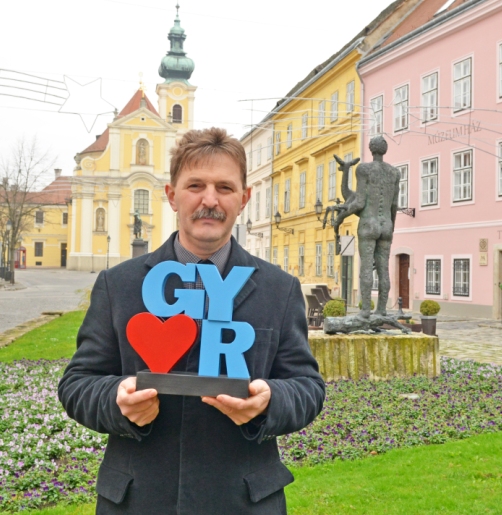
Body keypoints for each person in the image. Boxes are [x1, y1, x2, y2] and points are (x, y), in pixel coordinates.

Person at [58, 127, 325, 514]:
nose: (210, 200)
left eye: (225, 187)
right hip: (139, 500)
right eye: (195, 185)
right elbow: (78, 383)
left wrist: (271, 401)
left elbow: (308, 387)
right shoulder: (119, 284)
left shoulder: (278, 289)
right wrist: (117, 400)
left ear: (244, 198)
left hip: (243, 502)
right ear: (172, 195)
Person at [333, 135, 400, 319]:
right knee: (383, 269)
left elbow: (360, 202)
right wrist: (391, 226)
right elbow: (394, 205)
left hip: (368, 225)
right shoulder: (394, 173)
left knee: (366, 268)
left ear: (371, 149)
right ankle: (382, 309)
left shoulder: (364, 169)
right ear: (384, 150)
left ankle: (364, 311)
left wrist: (341, 216)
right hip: (386, 225)